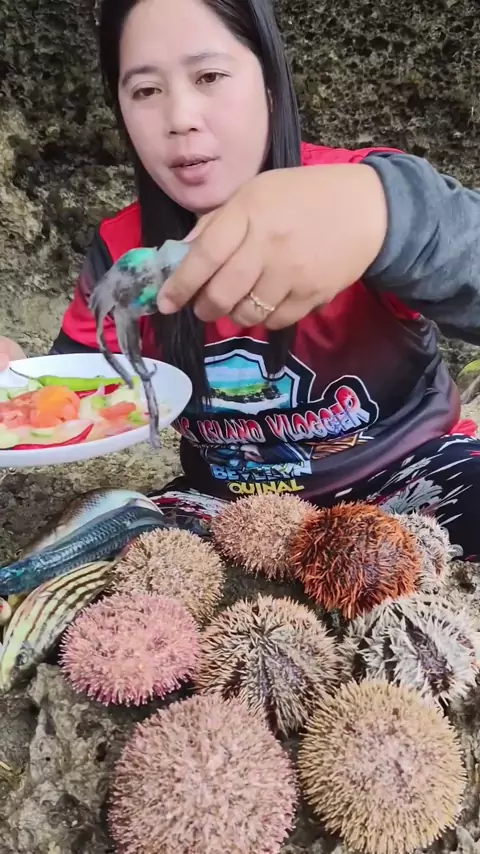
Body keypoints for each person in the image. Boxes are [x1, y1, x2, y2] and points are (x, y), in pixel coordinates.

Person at [3, 0, 480, 557]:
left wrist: (391, 211)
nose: (180, 117)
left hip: (412, 475)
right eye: (146, 90)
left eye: (209, 76)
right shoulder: (121, 254)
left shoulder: (349, 196)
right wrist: (17, 387)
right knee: (87, 552)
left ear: (271, 86)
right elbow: (79, 386)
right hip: (219, 505)